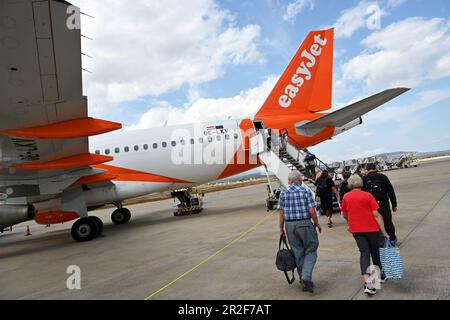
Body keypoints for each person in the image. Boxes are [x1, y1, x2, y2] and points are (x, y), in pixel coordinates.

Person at [341, 174, 389, 295]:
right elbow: (377, 215)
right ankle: (379, 275)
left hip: (356, 230)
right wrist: (384, 232)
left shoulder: (346, 197)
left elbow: (345, 214)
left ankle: (368, 283)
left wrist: (349, 224)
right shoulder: (368, 195)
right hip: (371, 229)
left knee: (364, 253)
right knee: (374, 251)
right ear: (361, 183)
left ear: (350, 184)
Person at [279, 170, 322, 293]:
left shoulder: (283, 193)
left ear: (290, 181)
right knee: (311, 248)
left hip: (290, 225)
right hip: (304, 223)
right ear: (298, 179)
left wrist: (281, 229)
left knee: (297, 251)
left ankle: (303, 279)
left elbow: (281, 213)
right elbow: (312, 211)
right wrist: (317, 224)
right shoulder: (305, 191)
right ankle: (306, 277)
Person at [362, 163, 398, 244]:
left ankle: (380, 241)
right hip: (384, 203)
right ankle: (392, 239)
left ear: (367, 169)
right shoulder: (383, 177)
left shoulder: (364, 179)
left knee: (376, 223)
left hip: (371, 205)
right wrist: (394, 205)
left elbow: (363, 194)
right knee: (388, 221)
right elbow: (390, 191)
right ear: (375, 168)